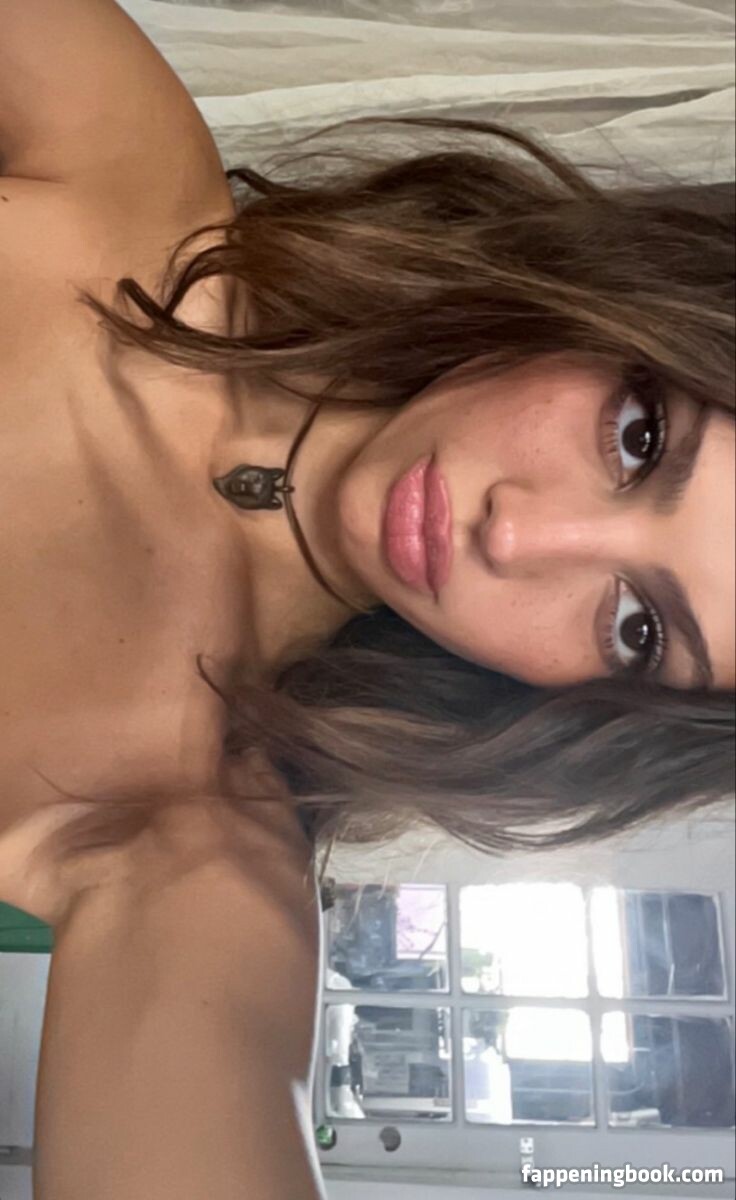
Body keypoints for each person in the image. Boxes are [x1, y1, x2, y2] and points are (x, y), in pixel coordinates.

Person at [0, 3, 733, 1197]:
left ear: (599, 708)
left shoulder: (180, 830)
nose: (520, 534)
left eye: (636, 627)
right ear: (612, 306)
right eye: (638, 436)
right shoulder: (122, 159)